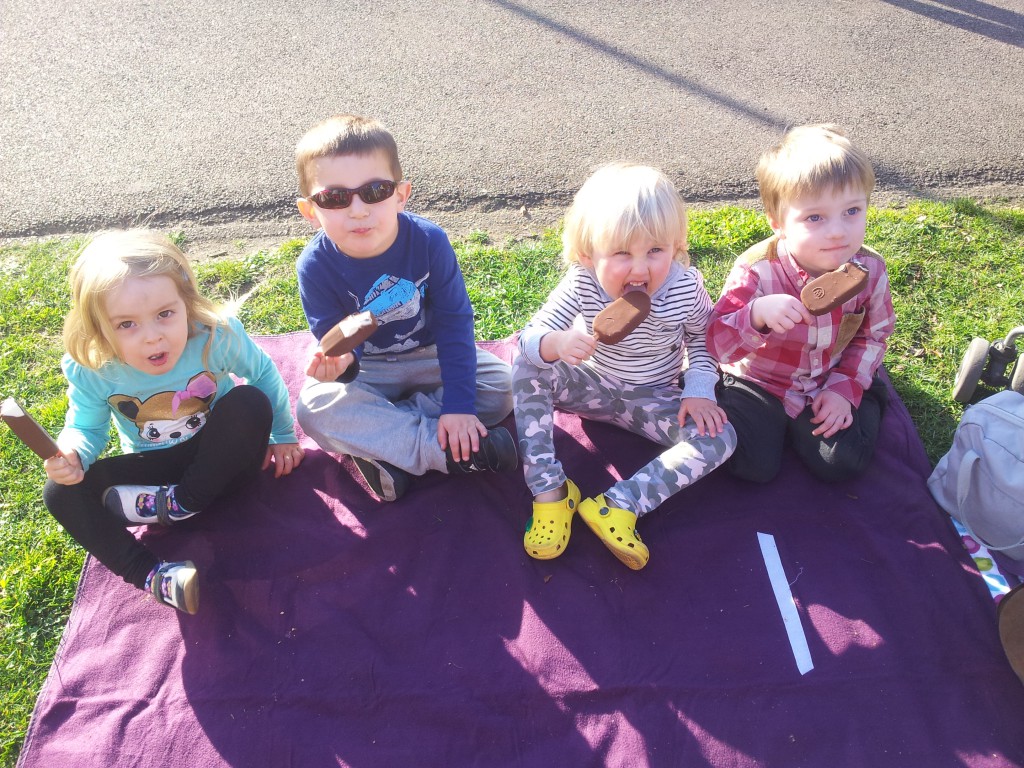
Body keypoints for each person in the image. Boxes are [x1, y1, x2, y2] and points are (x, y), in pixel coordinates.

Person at [42, 229, 304, 614]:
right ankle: (154, 576)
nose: (152, 337)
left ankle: (184, 503)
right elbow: (86, 426)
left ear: (187, 303)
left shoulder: (216, 336)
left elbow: (262, 374)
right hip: (154, 478)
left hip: (225, 465)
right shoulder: (95, 367)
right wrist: (74, 454)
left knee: (248, 401)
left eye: (165, 314)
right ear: (99, 329)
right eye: (126, 324)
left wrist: (283, 434)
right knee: (59, 492)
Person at [514, 163, 736, 570]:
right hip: (593, 386)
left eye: (655, 251)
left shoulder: (684, 288)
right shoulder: (581, 282)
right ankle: (551, 492)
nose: (639, 269)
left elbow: (705, 338)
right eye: (620, 254)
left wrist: (699, 388)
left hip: (655, 398)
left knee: (720, 438)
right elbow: (531, 335)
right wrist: (555, 343)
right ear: (587, 254)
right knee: (526, 364)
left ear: (677, 245)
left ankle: (619, 504)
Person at [293, 114, 516, 502]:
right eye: (334, 197)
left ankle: (386, 442)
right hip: (369, 370)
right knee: (314, 408)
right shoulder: (314, 265)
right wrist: (340, 364)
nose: (358, 210)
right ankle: (442, 450)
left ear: (401, 194)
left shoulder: (429, 241)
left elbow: (454, 324)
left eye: (375, 191)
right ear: (311, 210)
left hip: (428, 355)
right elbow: (339, 342)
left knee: (502, 386)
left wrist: (460, 407)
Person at [707, 124, 895, 484]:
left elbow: (875, 334)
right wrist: (756, 316)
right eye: (815, 217)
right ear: (778, 223)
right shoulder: (757, 271)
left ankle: (868, 396)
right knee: (754, 466)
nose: (838, 231)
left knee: (841, 462)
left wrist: (845, 387)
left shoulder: (868, 269)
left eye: (852, 211)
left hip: (827, 377)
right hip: (760, 381)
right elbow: (716, 344)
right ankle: (772, 428)